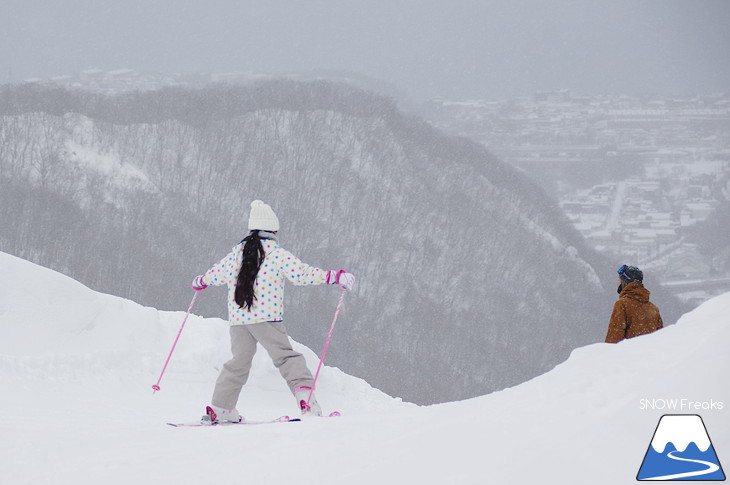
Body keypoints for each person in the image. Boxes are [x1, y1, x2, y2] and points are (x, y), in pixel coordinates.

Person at [191, 200, 355, 423]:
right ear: (273, 230)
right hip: (266, 318)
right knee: (286, 357)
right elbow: (302, 274)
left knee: (238, 362)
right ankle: (305, 398)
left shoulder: (236, 255)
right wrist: (334, 277)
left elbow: (214, 275)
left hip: (239, 320)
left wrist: (201, 281)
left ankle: (221, 408)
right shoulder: (277, 254)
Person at [605, 265, 663, 343]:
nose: (617, 282)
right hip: (650, 354)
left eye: (619, 279)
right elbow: (661, 338)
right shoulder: (653, 309)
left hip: (629, 354)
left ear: (625, 281)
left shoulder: (622, 305)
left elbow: (614, 338)